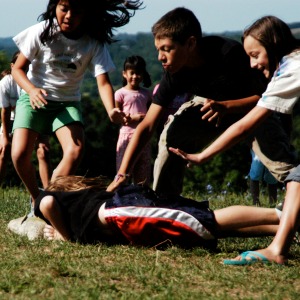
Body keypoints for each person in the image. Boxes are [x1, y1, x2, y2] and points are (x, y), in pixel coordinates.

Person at [107, 7, 295, 197]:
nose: (160, 57)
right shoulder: (174, 72)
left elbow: (264, 97)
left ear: (190, 43)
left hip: (252, 108)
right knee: (170, 140)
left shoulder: (229, 54)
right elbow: (147, 125)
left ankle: (295, 197)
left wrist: (227, 107)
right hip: (209, 107)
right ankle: (164, 204)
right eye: (158, 50)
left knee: (281, 163)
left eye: (166, 49)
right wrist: (122, 174)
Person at [170, 16, 300, 265]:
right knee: (296, 181)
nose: (252, 64)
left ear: (273, 43)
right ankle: (278, 248)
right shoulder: (291, 63)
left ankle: (277, 251)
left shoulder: (291, 69)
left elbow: (244, 126)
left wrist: (202, 156)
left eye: (255, 54)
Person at [10, 0, 142, 210]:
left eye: (76, 10)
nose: (69, 15)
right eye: (64, 9)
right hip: (33, 98)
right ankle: (36, 198)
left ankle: (50, 197)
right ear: (55, 8)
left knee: (75, 150)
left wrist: (111, 109)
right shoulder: (41, 32)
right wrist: (32, 90)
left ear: (86, 14)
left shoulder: (92, 42)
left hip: (67, 103)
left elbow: (103, 81)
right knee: (18, 154)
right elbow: (17, 69)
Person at [34, 175, 280, 251]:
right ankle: (284, 227)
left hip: (121, 211)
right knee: (207, 231)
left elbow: (44, 203)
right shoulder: (79, 208)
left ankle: (282, 214)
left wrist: (62, 235)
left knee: (205, 220)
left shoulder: (57, 200)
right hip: (125, 216)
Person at [0, 51, 52, 188]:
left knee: (43, 150)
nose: (26, 69)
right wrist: (5, 137)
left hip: (33, 117)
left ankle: (48, 192)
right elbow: (5, 111)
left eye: (28, 66)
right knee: (3, 151)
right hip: (11, 120)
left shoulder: (37, 80)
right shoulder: (6, 83)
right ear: (13, 66)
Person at [115, 55, 152, 185]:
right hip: (126, 135)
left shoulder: (147, 94)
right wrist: (133, 118)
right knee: (124, 170)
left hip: (143, 136)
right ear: (125, 74)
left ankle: (142, 199)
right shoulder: (120, 94)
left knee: (143, 171)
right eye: (132, 73)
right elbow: (118, 117)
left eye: (138, 73)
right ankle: (121, 197)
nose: (135, 77)